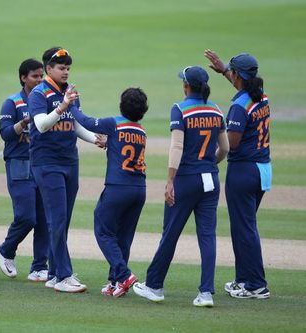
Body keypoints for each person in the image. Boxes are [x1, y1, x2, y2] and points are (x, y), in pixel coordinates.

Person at [133, 66, 229, 306]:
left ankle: (154, 286)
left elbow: (176, 147)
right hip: (211, 180)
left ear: (187, 86)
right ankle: (206, 293)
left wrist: (170, 181)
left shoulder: (180, 109)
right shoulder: (217, 110)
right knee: (207, 236)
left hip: (186, 179)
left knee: (171, 233)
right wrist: (208, 164)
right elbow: (225, 149)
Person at [27, 47, 104, 293]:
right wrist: (62, 106)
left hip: (70, 161)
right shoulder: (39, 93)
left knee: (63, 220)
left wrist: (95, 139)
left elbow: (74, 124)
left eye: (68, 68)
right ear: (48, 69)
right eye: (61, 68)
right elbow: (40, 125)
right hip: (47, 163)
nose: (65, 72)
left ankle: (53, 273)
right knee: (57, 219)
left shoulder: (70, 92)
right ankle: (63, 275)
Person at [204, 50, 271, 299]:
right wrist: (223, 70)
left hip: (244, 172)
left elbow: (229, 145)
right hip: (263, 169)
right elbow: (241, 86)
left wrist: (207, 162)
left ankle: (256, 285)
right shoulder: (261, 97)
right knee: (244, 228)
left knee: (244, 229)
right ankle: (244, 280)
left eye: (232, 71)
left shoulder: (238, 107)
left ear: (238, 75)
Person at [69, 87, 148, 298]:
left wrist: (73, 102)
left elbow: (85, 121)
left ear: (122, 106)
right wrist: (110, 143)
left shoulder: (114, 123)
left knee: (103, 230)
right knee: (124, 237)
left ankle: (124, 275)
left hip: (118, 187)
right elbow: (124, 147)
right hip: (139, 190)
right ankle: (116, 283)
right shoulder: (141, 131)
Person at [0, 58, 49, 282]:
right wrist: (23, 123)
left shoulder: (46, 100)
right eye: (34, 76)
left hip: (43, 163)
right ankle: (6, 250)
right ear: (23, 78)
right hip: (19, 163)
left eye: (41, 76)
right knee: (26, 217)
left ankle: (39, 267)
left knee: (45, 218)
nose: (39, 80)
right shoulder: (12, 103)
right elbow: (5, 134)